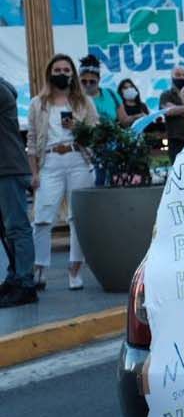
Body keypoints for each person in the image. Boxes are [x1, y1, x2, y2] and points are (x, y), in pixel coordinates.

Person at [26, 54, 97, 290]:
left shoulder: (83, 102)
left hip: (78, 158)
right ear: (49, 73)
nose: (62, 73)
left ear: (72, 74)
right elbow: (32, 140)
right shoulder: (38, 103)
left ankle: (75, 269)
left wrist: (78, 127)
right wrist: (34, 172)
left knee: (77, 218)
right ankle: (40, 268)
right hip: (50, 161)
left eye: (67, 70)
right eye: (57, 69)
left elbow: (95, 134)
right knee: (42, 218)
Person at [0, 75, 37, 307]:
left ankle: (25, 283)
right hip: (6, 166)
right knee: (8, 229)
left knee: (16, 227)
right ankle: (15, 277)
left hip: (8, 167)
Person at [78, 55, 125, 127]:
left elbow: (124, 121)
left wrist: (137, 117)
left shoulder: (112, 94)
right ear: (78, 79)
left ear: (99, 79)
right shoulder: (74, 98)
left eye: (92, 81)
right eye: (84, 81)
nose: (88, 85)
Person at [158, 65, 184, 163]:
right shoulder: (166, 95)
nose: (181, 77)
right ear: (172, 77)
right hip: (175, 139)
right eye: (178, 75)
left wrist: (177, 109)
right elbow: (168, 111)